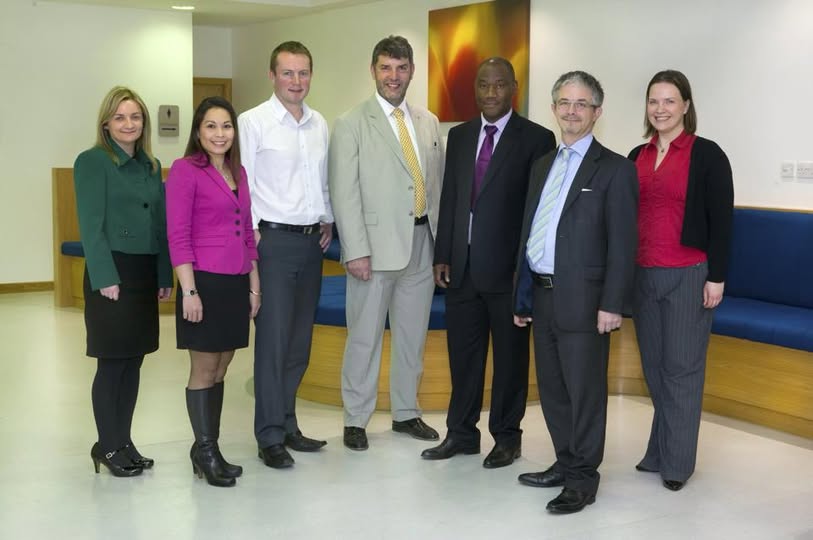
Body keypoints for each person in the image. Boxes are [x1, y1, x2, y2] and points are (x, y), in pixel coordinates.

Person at [513, 71, 638, 513]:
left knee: (585, 393)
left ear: (597, 112)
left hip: (586, 301)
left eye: (582, 104)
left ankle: (583, 479)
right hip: (542, 295)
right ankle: (565, 462)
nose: (572, 111)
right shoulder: (543, 165)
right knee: (553, 389)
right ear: (554, 108)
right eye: (564, 103)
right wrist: (522, 296)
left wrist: (612, 304)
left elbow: (623, 243)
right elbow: (530, 232)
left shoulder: (616, 169)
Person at [422, 57, 555, 468]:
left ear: (514, 88)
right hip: (461, 270)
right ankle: (461, 434)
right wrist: (443, 253)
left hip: (508, 274)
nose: (491, 93)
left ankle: (507, 438)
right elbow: (451, 197)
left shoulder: (537, 138)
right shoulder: (460, 136)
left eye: (499, 85)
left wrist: (525, 270)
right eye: (483, 85)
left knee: (511, 362)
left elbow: (538, 211)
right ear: (475, 90)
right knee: (463, 358)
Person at [329, 35, 444, 451]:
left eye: (401, 68)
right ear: (373, 70)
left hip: (422, 243)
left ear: (411, 71)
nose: (393, 76)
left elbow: (437, 185)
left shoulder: (428, 122)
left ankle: (406, 412)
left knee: (412, 336)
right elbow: (344, 192)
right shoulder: (351, 123)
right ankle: (355, 418)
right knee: (364, 337)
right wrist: (355, 249)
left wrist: (442, 248)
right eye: (385, 67)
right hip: (374, 250)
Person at [627, 70, 734, 492]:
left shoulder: (707, 154)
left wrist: (717, 277)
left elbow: (722, 222)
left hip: (690, 275)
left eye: (670, 101)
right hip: (643, 275)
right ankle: (659, 450)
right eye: (654, 101)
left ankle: (677, 464)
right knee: (655, 369)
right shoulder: (636, 154)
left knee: (682, 370)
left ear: (686, 106)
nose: (661, 109)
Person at [238, 41, 333, 469]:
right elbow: (243, 186)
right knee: (273, 344)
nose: (297, 81)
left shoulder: (319, 123)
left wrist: (327, 218)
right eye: (288, 72)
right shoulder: (253, 122)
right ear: (272, 76)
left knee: (299, 343)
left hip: (312, 243)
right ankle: (269, 434)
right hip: (272, 243)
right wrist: (253, 242)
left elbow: (321, 182)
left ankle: (289, 423)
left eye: (303, 72)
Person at [74, 86, 173, 477]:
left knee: (134, 361)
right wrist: (104, 277)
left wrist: (163, 274)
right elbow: (91, 225)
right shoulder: (92, 161)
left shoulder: (152, 165)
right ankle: (108, 444)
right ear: (106, 124)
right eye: (119, 117)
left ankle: (123, 440)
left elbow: (160, 225)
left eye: (135, 117)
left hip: (144, 272)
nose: (128, 124)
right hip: (112, 272)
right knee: (112, 363)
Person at [166, 96, 260, 487]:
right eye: (211, 126)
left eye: (226, 126)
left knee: (222, 367)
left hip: (235, 281)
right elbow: (178, 235)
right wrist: (189, 292)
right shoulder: (185, 170)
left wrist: (254, 285)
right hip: (203, 282)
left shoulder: (238, 171)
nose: (220, 134)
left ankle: (208, 448)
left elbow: (248, 231)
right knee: (204, 369)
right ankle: (205, 452)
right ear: (198, 131)